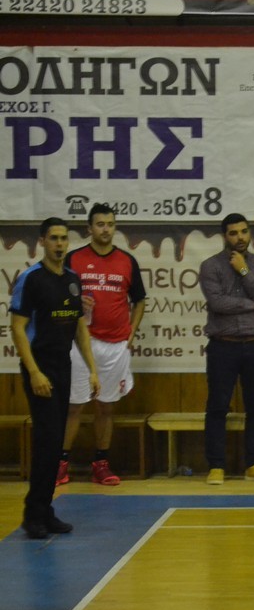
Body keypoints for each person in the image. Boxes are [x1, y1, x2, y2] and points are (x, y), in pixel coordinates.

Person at [11, 217, 99, 539]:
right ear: (42, 242)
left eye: (64, 239)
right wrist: (34, 372)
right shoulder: (31, 279)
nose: (59, 244)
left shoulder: (72, 279)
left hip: (64, 366)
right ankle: (33, 515)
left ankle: (44, 510)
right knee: (47, 442)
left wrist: (92, 369)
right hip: (40, 368)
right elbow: (17, 328)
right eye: (53, 239)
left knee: (56, 442)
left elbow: (79, 328)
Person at [58, 203, 147, 487]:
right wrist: (74, 303)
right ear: (89, 228)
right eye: (100, 224)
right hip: (80, 342)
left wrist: (131, 332)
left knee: (106, 407)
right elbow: (56, 295)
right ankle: (60, 464)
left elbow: (140, 300)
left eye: (110, 224)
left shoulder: (127, 260)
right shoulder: (73, 258)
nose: (105, 229)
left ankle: (101, 464)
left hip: (115, 345)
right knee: (74, 405)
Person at [199, 213, 254, 485]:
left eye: (244, 231)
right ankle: (216, 466)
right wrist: (253, 305)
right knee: (217, 406)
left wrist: (244, 271)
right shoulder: (210, 266)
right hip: (224, 345)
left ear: (250, 233)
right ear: (225, 236)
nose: (240, 237)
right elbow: (217, 303)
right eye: (233, 233)